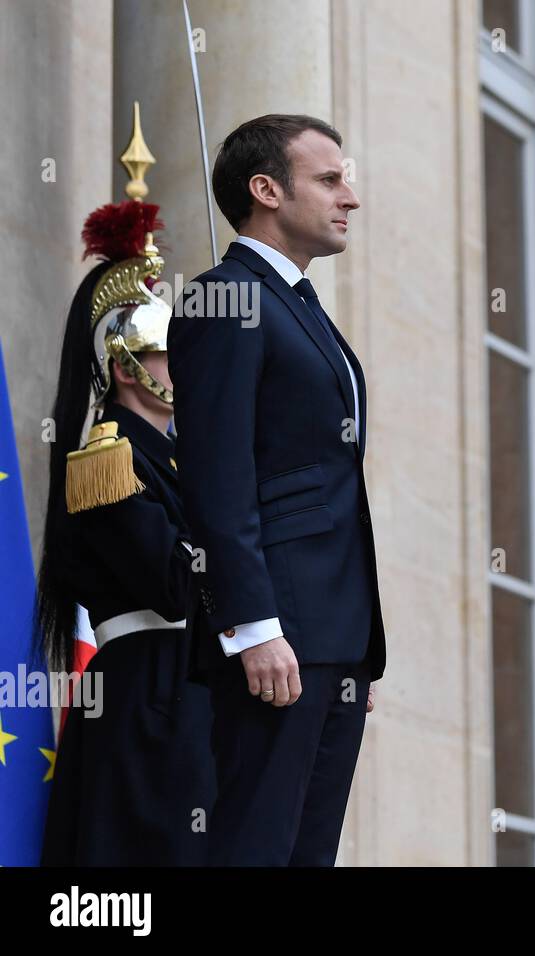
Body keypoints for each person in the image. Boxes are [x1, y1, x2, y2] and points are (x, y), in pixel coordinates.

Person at [168, 114, 384, 866]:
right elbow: (216, 476)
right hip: (279, 626)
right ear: (266, 190)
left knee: (306, 853)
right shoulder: (223, 298)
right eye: (329, 179)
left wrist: (353, 644)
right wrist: (252, 625)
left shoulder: (299, 304)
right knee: (255, 846)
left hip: (332, 632)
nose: (349, 197)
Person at [36, 107, 214, 865]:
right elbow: (174, 587)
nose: (184, 369)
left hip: (191, 691)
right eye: (171, 355)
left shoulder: (174, 459)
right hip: (146, 696)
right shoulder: (104, 462)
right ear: (126, 365)